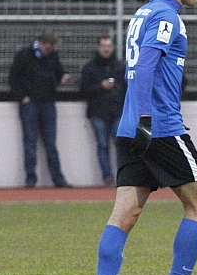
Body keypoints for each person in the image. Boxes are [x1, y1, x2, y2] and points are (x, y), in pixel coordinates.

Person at [88, 0, 197, 275]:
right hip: (160, 127)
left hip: (130, 128)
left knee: (126, 212)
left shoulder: (143, 12)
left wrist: (138, 119)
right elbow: (145, 66)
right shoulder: (166, 17)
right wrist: (148, 116)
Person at [8, 31, 71, 188]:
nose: (49, 50)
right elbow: (13, 78)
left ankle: (58, 179)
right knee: (30, 142)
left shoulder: (52, 56)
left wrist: (63, 77)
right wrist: (22, 97)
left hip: (48, 102)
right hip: (30, 103)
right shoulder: (24, 55)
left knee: (51, 144)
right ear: (41, 43)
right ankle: (30, 179)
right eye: (47, 47)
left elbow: (58, 73)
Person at [79, 35, 126, 187]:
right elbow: (83, 90)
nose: (106, 49)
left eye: (108, 46)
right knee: (102, 145)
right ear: (98, 47)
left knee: (121, 145)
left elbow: (126, 88)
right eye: (103, 46)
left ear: (112, 48)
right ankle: (107, 177)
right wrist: (101, 86)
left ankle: (123, 177)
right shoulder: (89, 68)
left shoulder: (120, 67)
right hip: (97, 112)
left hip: (117, 111)